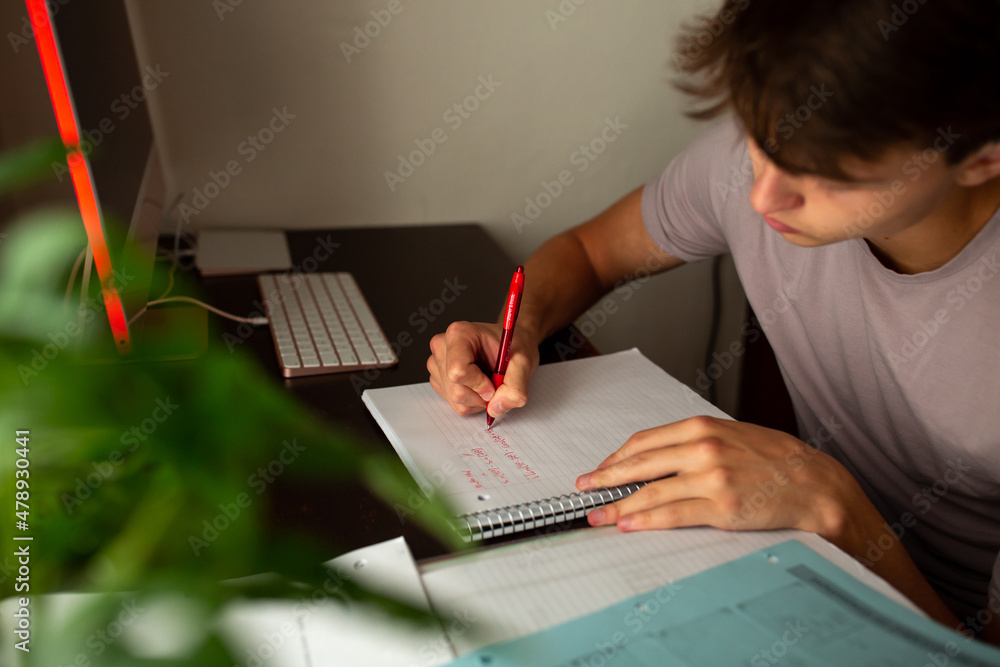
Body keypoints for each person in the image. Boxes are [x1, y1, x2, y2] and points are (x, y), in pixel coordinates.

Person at [426, 0, 1000, 643]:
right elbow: (590, 252)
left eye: (830, 173)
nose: (762, 197)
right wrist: (520, 330)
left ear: (981, 156)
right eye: (761, 141)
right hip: (777, 555)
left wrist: (837, 510)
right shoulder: (767, 152)